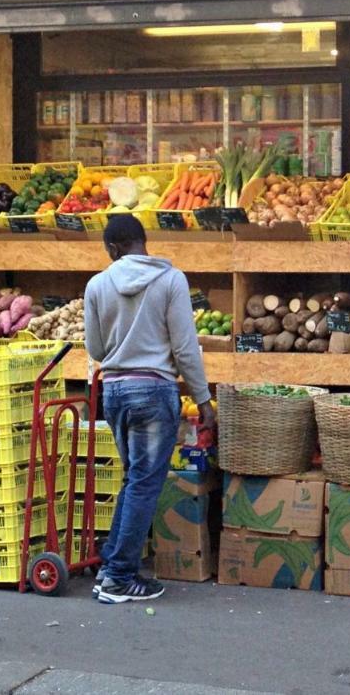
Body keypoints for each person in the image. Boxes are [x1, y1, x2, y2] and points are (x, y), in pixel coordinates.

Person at [84, 214, 215, 604]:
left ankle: (112, 568)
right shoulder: (170, 279)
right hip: (154, 391)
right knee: (144, 482)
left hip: (115, 391)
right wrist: (203, 398)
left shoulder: (97, 284)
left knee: (134, 478)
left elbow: (94, 349)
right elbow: (185, 348)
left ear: (112, 248)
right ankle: (119, 576)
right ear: (144, 241)